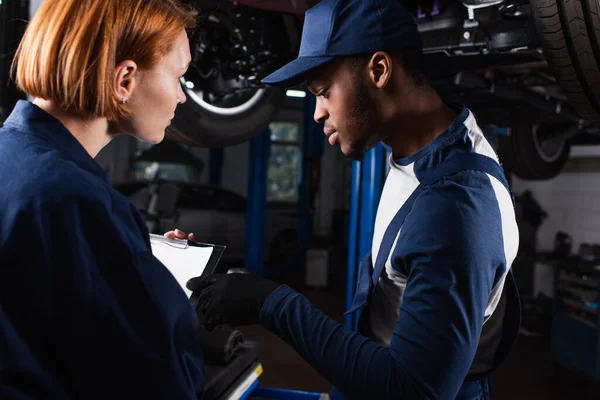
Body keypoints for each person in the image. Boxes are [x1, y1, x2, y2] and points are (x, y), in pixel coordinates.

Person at [187, 0, 521, 399]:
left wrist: (271, 304)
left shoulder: (456, 207)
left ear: (379, 70)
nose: (317, 113)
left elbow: (412, 391)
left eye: (324, 92)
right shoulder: (419, 148)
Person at [0, 0, 205, 398]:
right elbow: (159, 383)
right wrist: (166, 304)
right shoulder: (77, 201)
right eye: (179, 76)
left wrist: (136, 264)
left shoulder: (13, 159)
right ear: (125, 79)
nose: (181, 97)